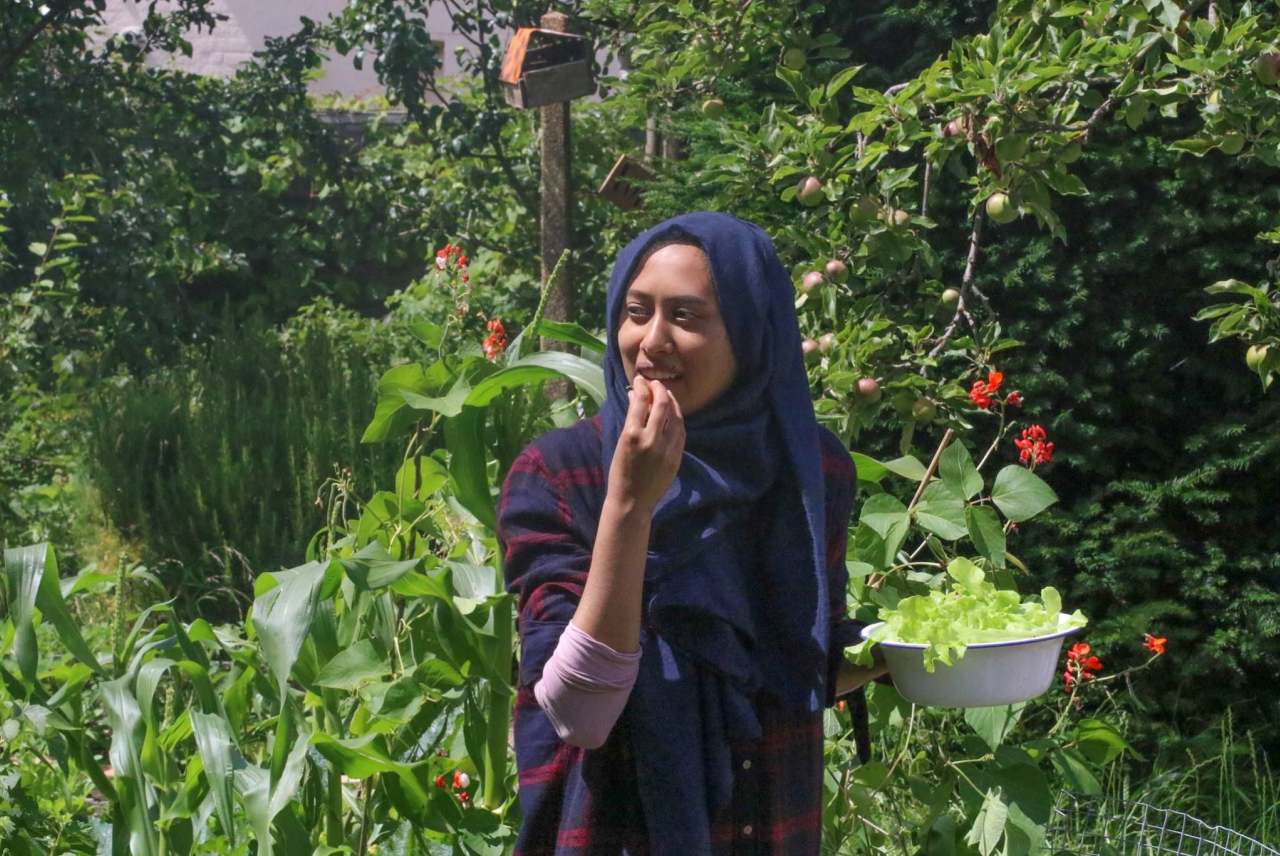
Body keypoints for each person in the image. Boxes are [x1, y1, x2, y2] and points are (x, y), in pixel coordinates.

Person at [496, 212, 889, 856]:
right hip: (608, 830)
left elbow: (793, 659)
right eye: (636, 311)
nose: (651, 341)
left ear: (752, 334)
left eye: (686, 316)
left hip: (768, 823)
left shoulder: (807, 467)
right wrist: (630, 501)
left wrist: (897, 656)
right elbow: (578, 712)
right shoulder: (564, 474)